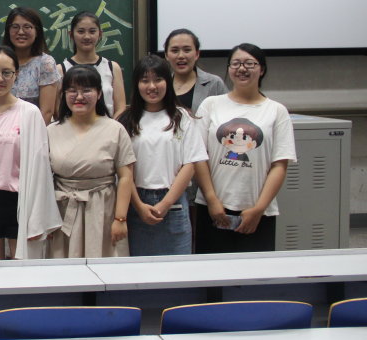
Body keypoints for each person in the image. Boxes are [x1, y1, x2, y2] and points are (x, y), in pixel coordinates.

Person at [193, 43, 296, 253]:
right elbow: (199, 156)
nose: (242, 68)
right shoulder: (211, 105)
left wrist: (259, 208)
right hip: (213, 208)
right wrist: (211, 200)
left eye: (250, 63)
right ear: (229, 68)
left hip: (257, 211)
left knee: (255, 270)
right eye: (236, 63)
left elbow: (279, 165)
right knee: (210, 268)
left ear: (262, 69)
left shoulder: (276, 111)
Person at [0, 46, 62, 260]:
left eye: (7, 72)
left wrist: (38, 216)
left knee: (22, 272)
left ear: (16, 75)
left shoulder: (30, 113)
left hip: (20, 200)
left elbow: (41, 168)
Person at [117, 55, 206, 257]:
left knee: (177, 269)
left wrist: (166, 203)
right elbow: (123, 169)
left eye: (158, 79)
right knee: (138, 269)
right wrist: (139, 205)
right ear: (136, 84)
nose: (152, 86)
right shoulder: (126, 121)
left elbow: (190, 164)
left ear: (168, 81)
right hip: (135, 201)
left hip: (173, 201)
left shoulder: (182, 117)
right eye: (145, 80)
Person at [47, 65, 136, 258]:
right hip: (62, 213)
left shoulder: (115, 130)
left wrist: (120, 219)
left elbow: (126, 176)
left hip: (103, 210)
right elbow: (43, 179)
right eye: (72, 90)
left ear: (99, 94)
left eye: (86, 90)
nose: (79, 97)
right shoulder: (51, 131)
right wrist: (46, 219)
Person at [60, 11, 126, 119]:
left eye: (92, 31)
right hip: (72, 128)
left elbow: (120, 107)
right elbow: (58, 109)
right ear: (71, 34)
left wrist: (110, 126)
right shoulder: (61, 69)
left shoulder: (112, 67)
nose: (87, 36)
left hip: (108, 127)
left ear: (100, 34)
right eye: (81, 31)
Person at [2, 7, 61, 125]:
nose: (20, 32)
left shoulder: (45, 63)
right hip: (0, 127)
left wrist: (31, 134)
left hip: (33, 129)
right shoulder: (0, 60)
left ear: (37, 31)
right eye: (15, 27)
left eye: (27, 27)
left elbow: (47, 112)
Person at [163, 28, 226, 113]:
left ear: (197, 54)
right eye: (175, 51)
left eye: (187, 50)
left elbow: (228, 115)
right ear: (166, 55)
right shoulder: (161, 85)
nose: (181, 56)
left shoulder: (214, 84)